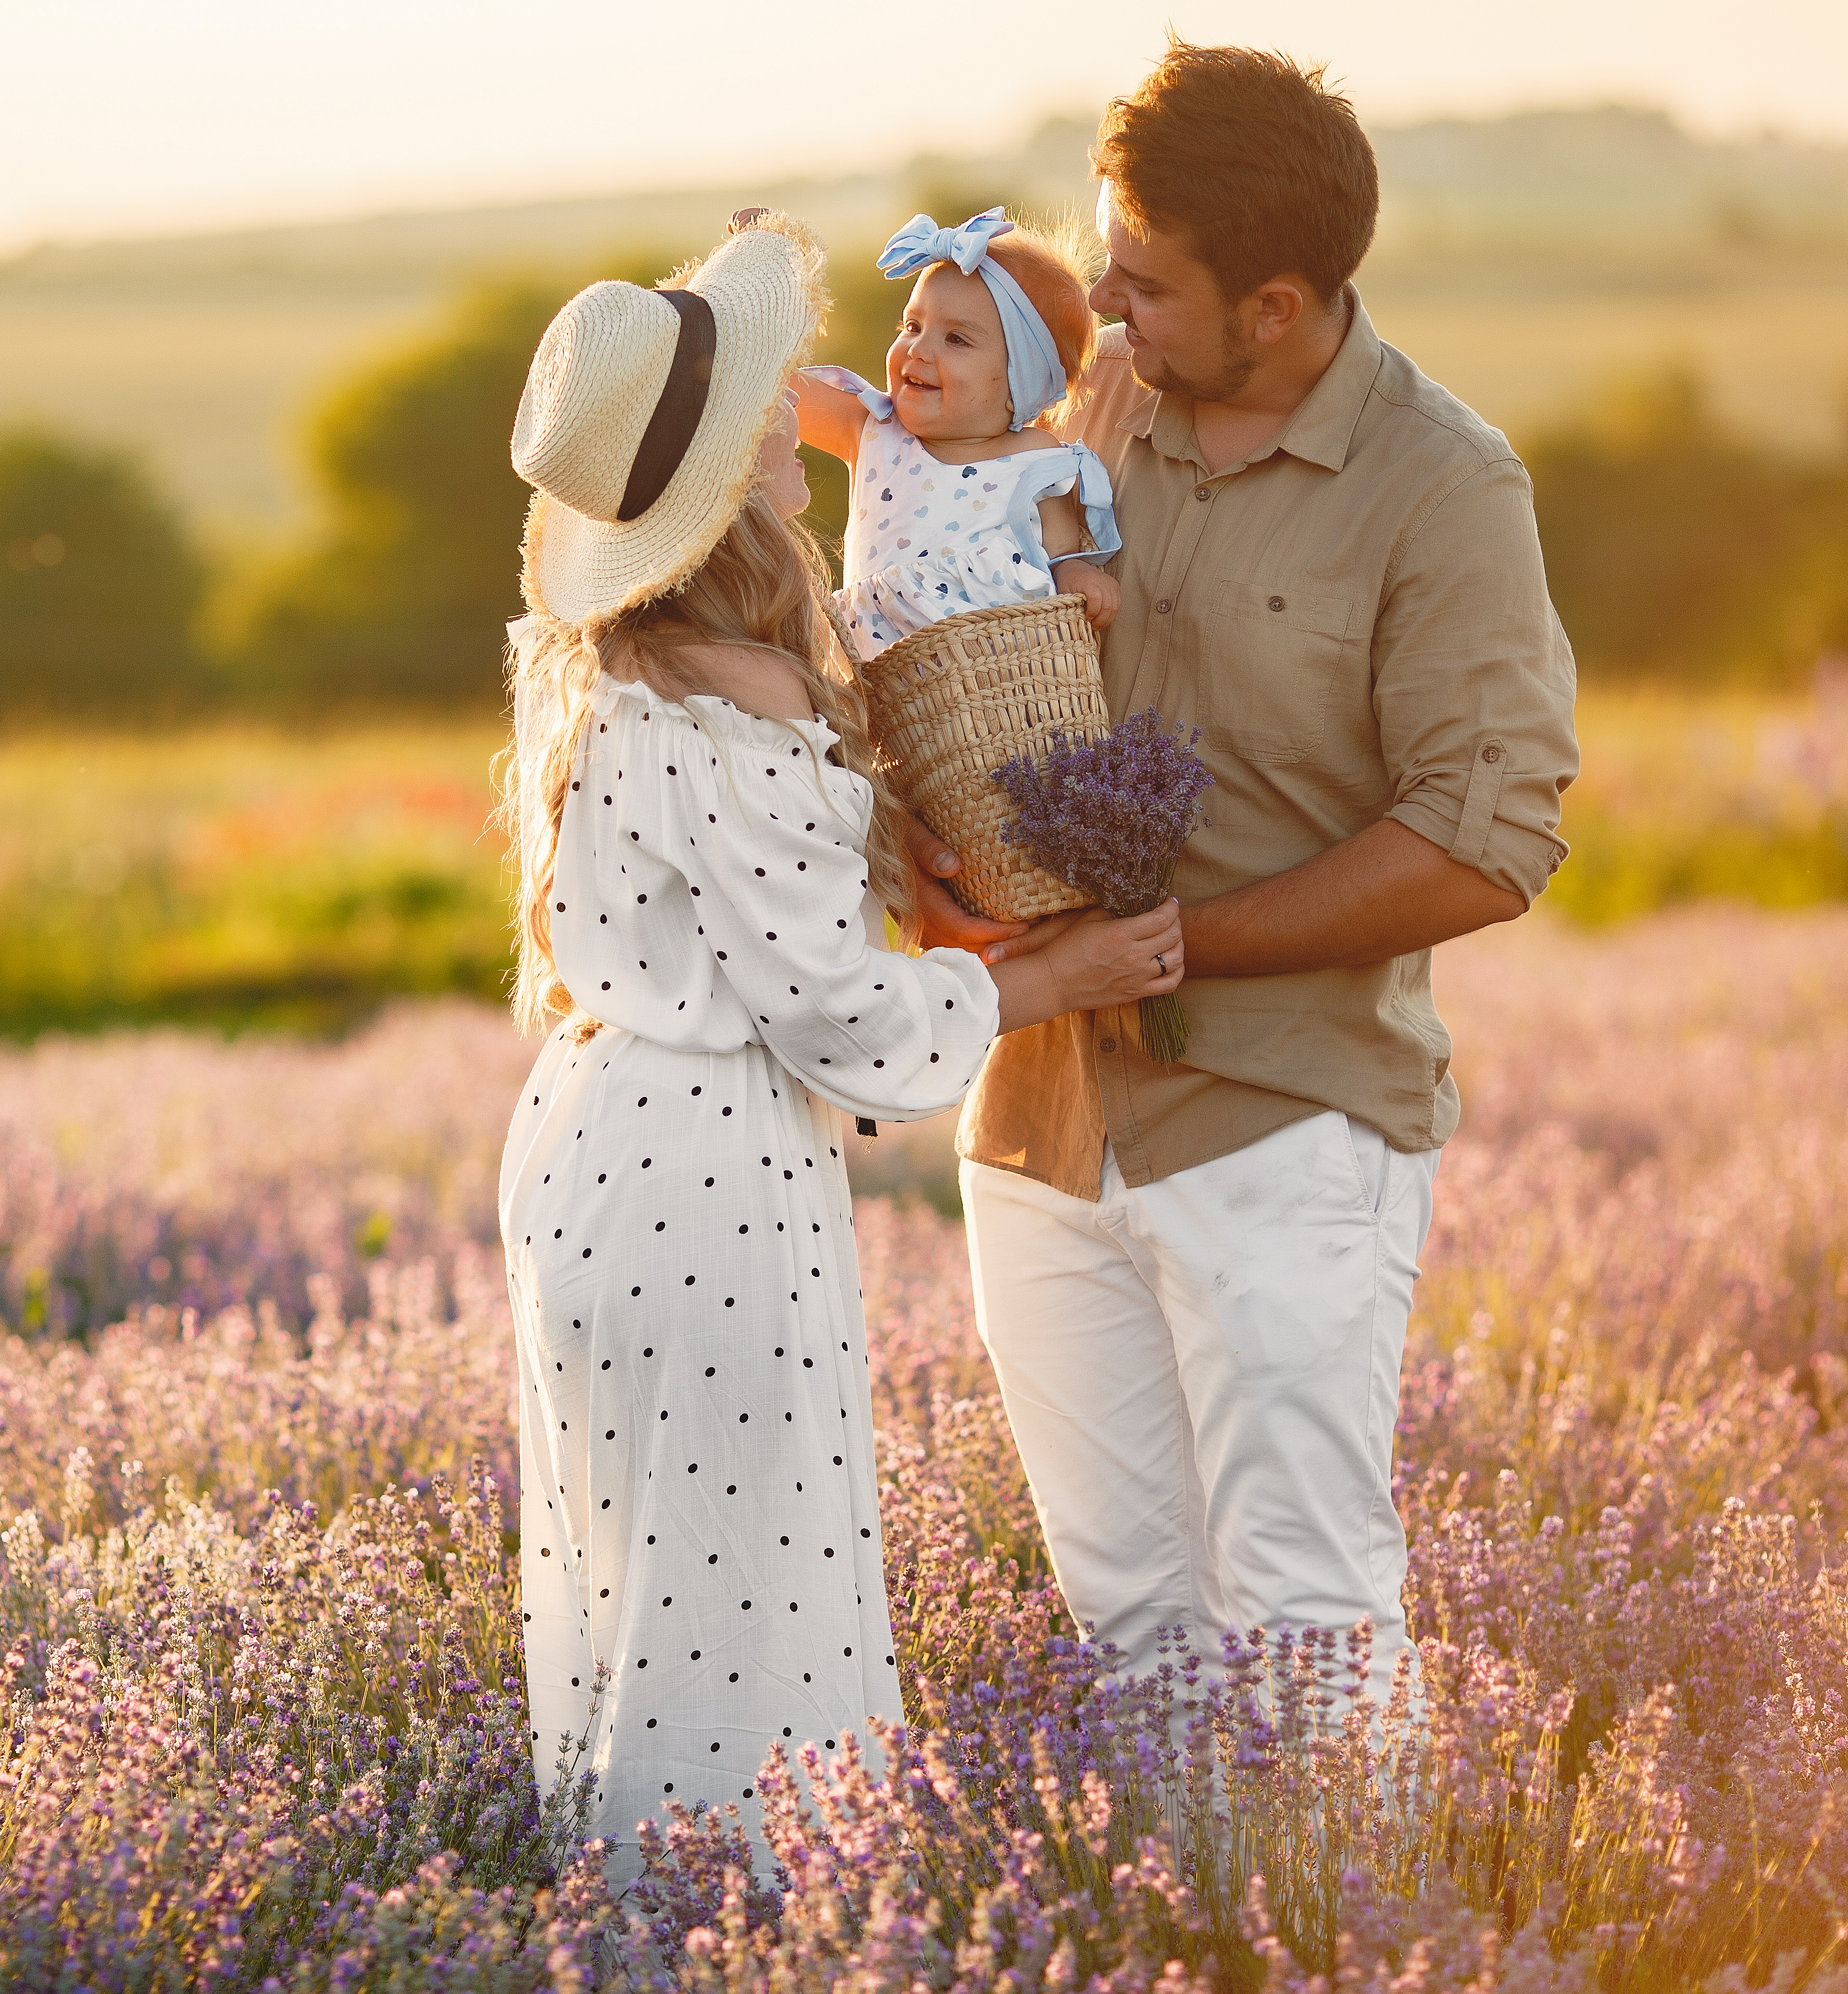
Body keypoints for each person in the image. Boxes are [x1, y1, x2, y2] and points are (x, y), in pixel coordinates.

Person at [493, 212, 1184, 1865]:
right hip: (709, 1175)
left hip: (584, 1149)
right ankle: (753, 1927)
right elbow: (839, 1013)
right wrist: (1043, 975)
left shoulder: (599, 665)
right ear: (732, 480)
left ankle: (626, 1918)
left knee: (629, 1584)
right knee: (747, 1593)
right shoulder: (748, 689)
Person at [916, 45, 1584, 1705]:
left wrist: (1169, 948)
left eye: (1141, 288)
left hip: (1285, 1119)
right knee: (1130, 1628)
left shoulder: (1445, 485)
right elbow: (966, 643)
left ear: (1277, 303)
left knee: (1303, 1614)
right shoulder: (1099, 409)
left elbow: (1487, 837)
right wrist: (931, 853)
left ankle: (1373, 1956)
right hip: (1041, 1114)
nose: (1104, 318)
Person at [785, 206, 1124, 653]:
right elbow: (774, 386)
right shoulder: (873, 431)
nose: (919, 349)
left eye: (957, 339)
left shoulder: (1038, 459)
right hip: (879, 685)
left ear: (1018, 383)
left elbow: (1061, 553)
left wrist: (1078, 574)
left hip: (990, 693)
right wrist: (769, 261)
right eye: (912, 325)